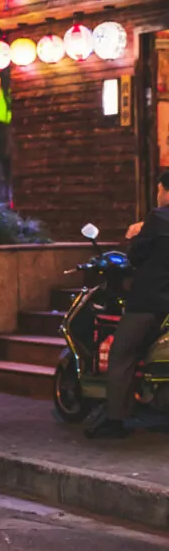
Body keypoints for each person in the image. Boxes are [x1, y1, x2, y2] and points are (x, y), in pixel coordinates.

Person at [87, 170, 169, 439]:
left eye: (158, 189)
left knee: (121, 354)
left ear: (164, 190)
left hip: (150, 302)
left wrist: (137, 233)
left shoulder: (157, 218)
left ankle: (115, 419)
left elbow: (134, 256)